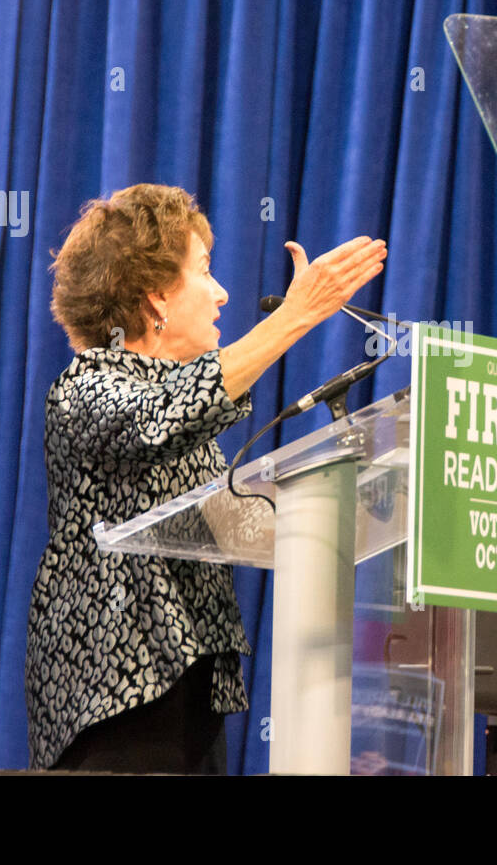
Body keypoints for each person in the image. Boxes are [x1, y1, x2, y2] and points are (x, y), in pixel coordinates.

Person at [25, 183, 386, 773]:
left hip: (193, 700)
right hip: (116, 704)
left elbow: (239, 519)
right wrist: (296, 317)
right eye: (205, 272)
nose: (222, 294)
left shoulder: (183, 409)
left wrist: (368, 499)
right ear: (155, 298)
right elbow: (159, 418)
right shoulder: (83, 389)